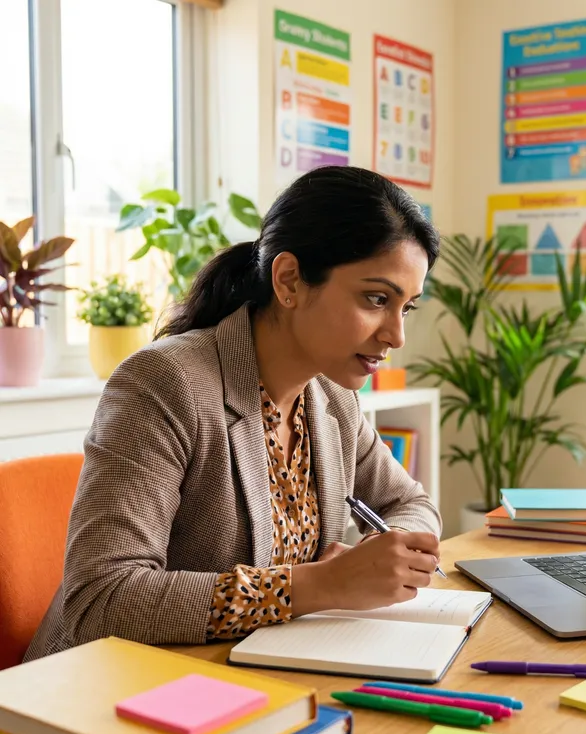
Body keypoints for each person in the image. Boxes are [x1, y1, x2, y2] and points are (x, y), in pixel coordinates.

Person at [25, 166, 443, 662]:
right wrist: (317, 585)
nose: (396, 335)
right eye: (376, 299)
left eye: (406, 307)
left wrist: (390, 553)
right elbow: (101, 599)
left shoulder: (332, 397)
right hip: (112, 684)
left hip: (259, 670)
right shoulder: (164, 383)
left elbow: (410, 502)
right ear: (289, 281)